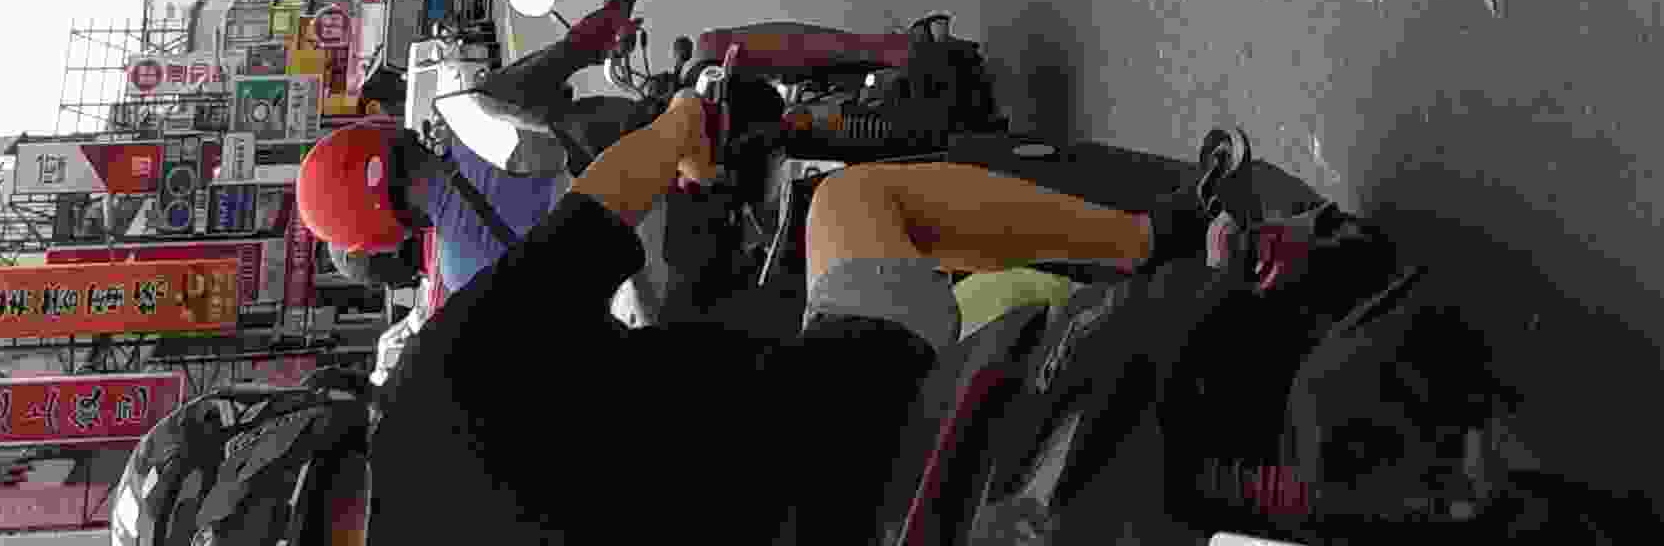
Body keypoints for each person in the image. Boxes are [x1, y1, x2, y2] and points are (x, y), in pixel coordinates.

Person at [367, 82, 1157, 546]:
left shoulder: (445, 277)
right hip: (849, 435)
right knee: (856, 201)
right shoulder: (425, 397)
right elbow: (600, 204)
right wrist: (680, 125)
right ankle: (1162, 234)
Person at [294, 0, 648, 319]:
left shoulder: (460, 276)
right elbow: (575, 49)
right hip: (650, 157)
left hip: (641, 283)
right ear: (380, 133)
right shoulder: (481, 112)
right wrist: (619, 5)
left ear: (379, 236)